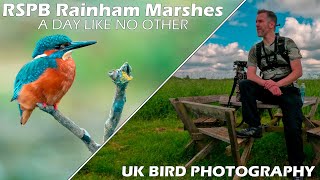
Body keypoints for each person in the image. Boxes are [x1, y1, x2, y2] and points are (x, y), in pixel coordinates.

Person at [236, 9, 304, 168]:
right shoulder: (255, 49)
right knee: (245, 84)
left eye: (260, 21)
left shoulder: (287, 43)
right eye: (256, 22)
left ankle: (297, 167)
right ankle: (254, 126)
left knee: (293, 127)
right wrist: (268, 84)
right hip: (267, 88)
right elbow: (251, 75)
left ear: (271, 24)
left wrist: (277, 84)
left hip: (287, 88)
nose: (256, 25)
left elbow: (298, 72)